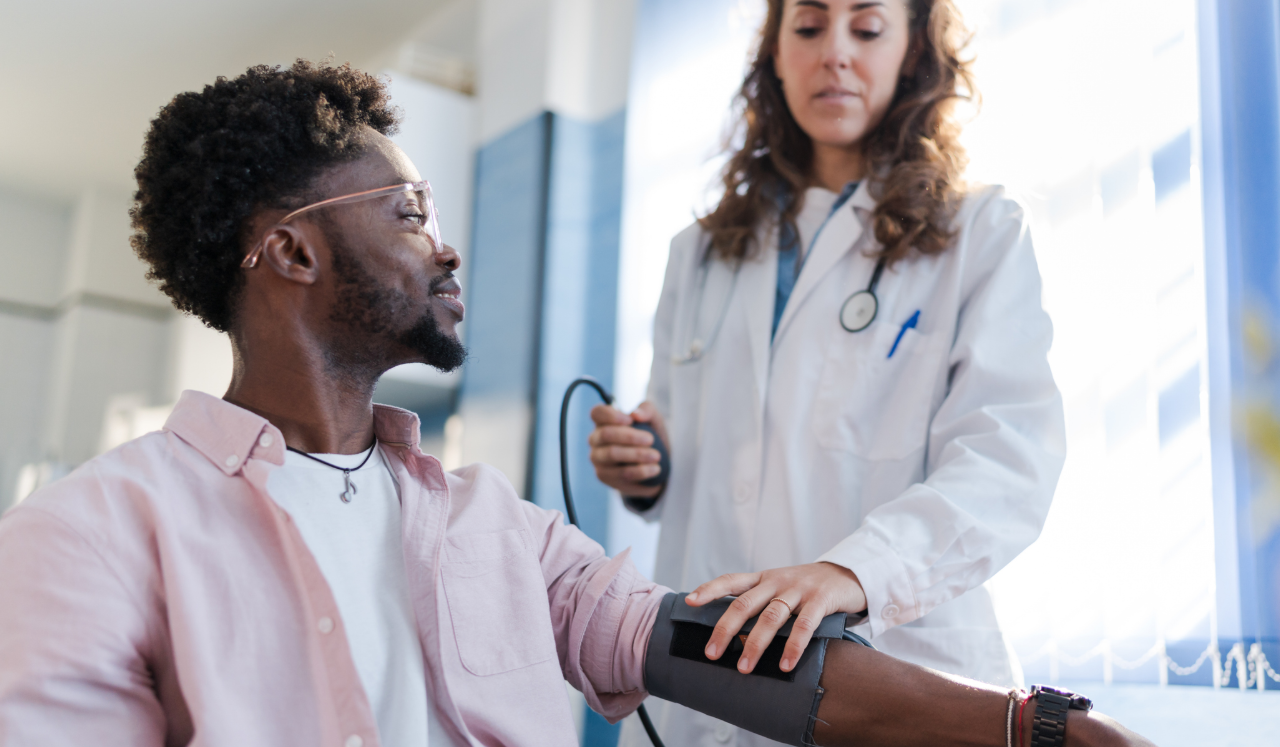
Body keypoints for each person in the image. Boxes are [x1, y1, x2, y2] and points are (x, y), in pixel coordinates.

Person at [0, 61, 1152, 747]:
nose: (447, 249)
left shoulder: (488, 525)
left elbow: (708, 647)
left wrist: (1032, 728)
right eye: (407, 211)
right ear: (291, 254)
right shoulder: (88, 535)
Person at [590, 1, 1065, 744]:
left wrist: (856, 571)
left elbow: (1008, 460)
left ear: (913, 53)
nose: (835, 53)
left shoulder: (981, 232)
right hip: (711, 681)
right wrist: (648, 466)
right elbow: (693, 437)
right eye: (808, 27)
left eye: (868, 28)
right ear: (775, 53)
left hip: (892, 668)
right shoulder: (700, 254)